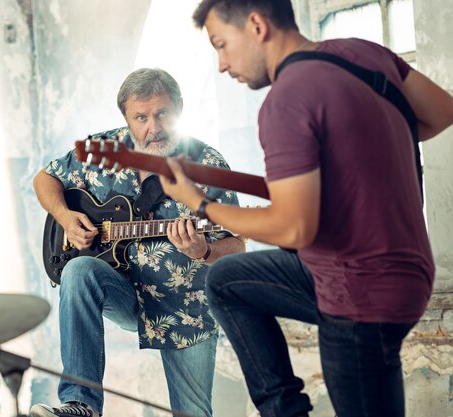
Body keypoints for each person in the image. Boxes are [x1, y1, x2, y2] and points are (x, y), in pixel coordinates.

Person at [156, 1, 453, 417]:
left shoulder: (288, 99)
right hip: (410, 276)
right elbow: (443, 110)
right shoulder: (364, 53)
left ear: (257, 25)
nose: (221, 65)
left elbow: (293, 228)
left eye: (222, 45)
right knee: (225, 278)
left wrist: (201, 203)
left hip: (358, 294)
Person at [30, 68, 245, 417]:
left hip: (185, 308)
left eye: (162, 113)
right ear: (126, 119)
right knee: (78, 269)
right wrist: (66, 217)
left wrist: (203, 250)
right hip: (123, 292)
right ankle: (80, 405)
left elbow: (236, 245)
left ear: (180, 108)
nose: (154, 127)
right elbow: (45, 178)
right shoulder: (102, 151)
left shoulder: (208, 164)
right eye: (141, 117)